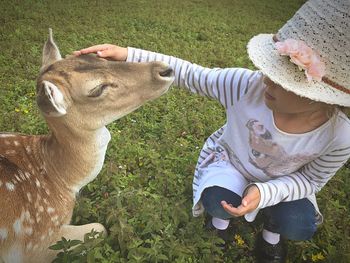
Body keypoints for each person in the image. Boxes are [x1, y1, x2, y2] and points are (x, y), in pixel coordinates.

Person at [74, 0, 350, 262]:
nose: (266, 79)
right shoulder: (246, 86)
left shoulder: (340, 135)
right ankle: (219, 223)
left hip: (283, 183)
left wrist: (265, 193)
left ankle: (271, 235)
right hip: (232, 163)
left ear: (321, 98)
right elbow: (192, 74)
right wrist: (128, 55)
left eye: (282, 80)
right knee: (216, 200)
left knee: (300, 224)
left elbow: (311, 181)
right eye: (270, 70)